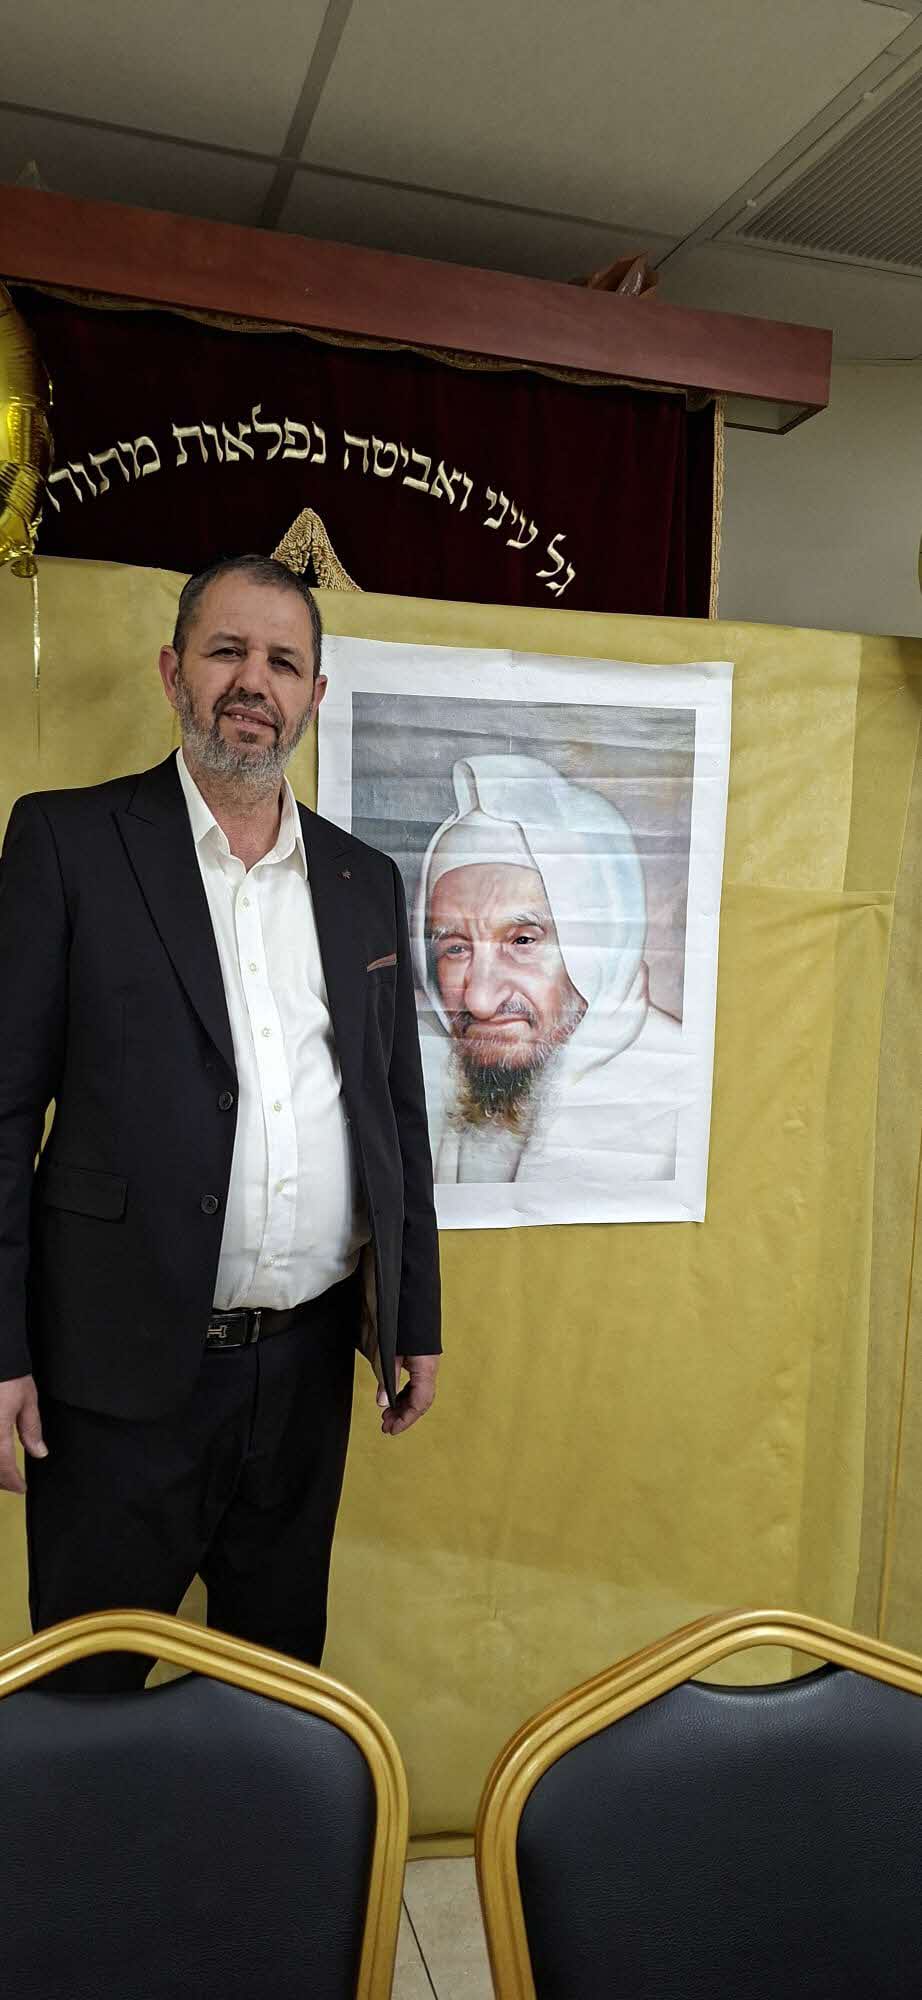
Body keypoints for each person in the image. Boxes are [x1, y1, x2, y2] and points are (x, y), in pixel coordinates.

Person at [0, 553, 440, 1689]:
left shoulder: (364, 880)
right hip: (114, 1371)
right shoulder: (67, 843)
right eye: (227, 651)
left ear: (314, 696)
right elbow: (3, 1110)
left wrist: (415, 1313)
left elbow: (394, 1112)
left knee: (277, 1695)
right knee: (85, 1697)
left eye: (283, 662)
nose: (254, 682)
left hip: (303, 1375)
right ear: (173, 672)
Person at [413, 753, 683, 1185]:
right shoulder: (422, 1068)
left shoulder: (681, 1098)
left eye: (522, 941)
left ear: (600, 949)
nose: (480, 1001)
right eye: (456, 948)